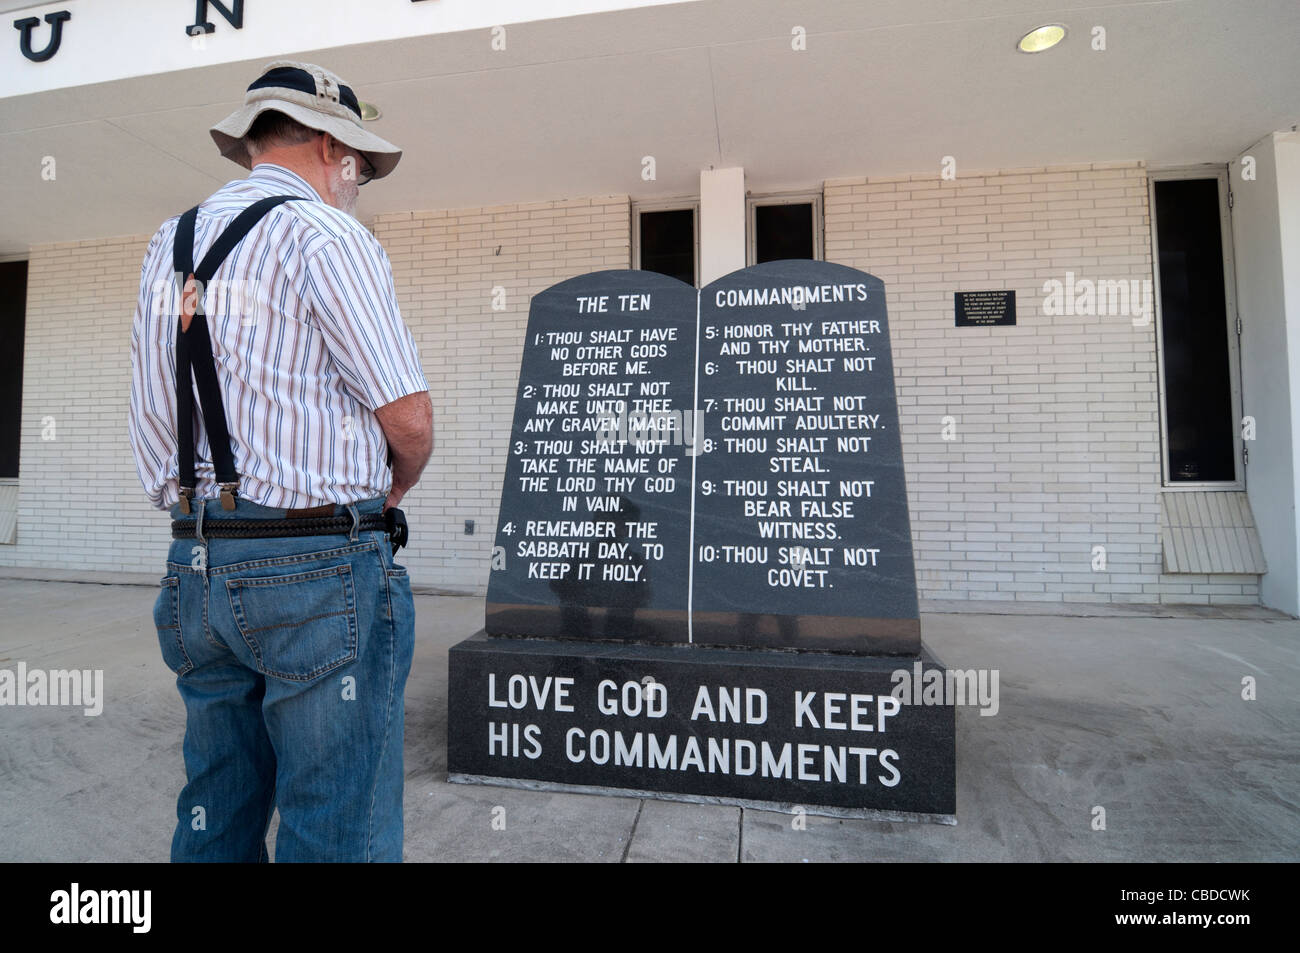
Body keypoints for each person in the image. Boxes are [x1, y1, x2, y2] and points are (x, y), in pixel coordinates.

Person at [128, 60, 433, 862]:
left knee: (217, 805)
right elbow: (407, 414)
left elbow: (155, 410)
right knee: (335, 815)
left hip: (194, 559)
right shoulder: (328, 232)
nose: (359, 180)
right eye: (361, 165)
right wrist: (397, 478)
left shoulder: (172, 242)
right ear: (334, 147)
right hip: (318, 562)